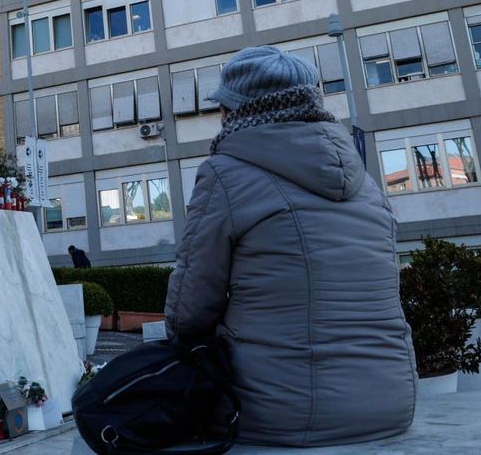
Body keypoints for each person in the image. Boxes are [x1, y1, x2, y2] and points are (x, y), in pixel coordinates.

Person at [164, 46, 416, 446]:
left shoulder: (223, 173)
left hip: (278, 412)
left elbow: (189, 309)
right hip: (391, 404)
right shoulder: (364, 181)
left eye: (222, 108)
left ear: (236, 111)